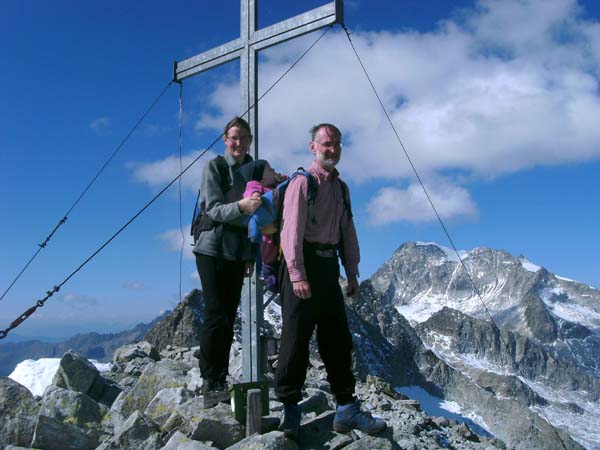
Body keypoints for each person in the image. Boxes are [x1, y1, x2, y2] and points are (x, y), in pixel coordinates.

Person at [275, 123, 387, 439]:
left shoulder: (341, 188)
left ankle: (346, 408)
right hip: (302, 264)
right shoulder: (302, 183)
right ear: (313, 147)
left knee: (337, 339)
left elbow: (347, 232)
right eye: (326, 144)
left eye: (337, 143)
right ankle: (289, 408)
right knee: (295, 338)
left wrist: (351, 272)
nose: (332, 149)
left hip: (327, 269)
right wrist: (297, 273)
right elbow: (290, 232)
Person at [193, 116, 262, 408]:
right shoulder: (215, 167)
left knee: (228, 316)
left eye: (243, 137)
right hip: (210, 249)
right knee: (216, 313)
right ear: (225, 139)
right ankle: (211, 380)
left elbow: (253, 220)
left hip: (236, 252)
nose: (238, 142)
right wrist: (242, 206)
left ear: (250, 141)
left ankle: (218, 376)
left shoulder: (251, 171)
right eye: (234, 137)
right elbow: (214, 209)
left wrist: (249, 256)